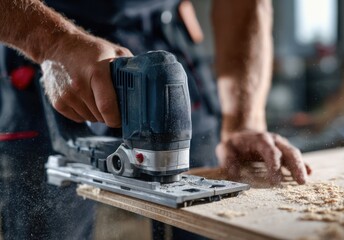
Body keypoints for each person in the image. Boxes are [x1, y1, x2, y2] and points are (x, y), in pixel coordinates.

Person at [0, 0, 310, 239]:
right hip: (43, 30)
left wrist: (244, 121)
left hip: (164, 41)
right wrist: (49, 43)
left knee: (214, 217)